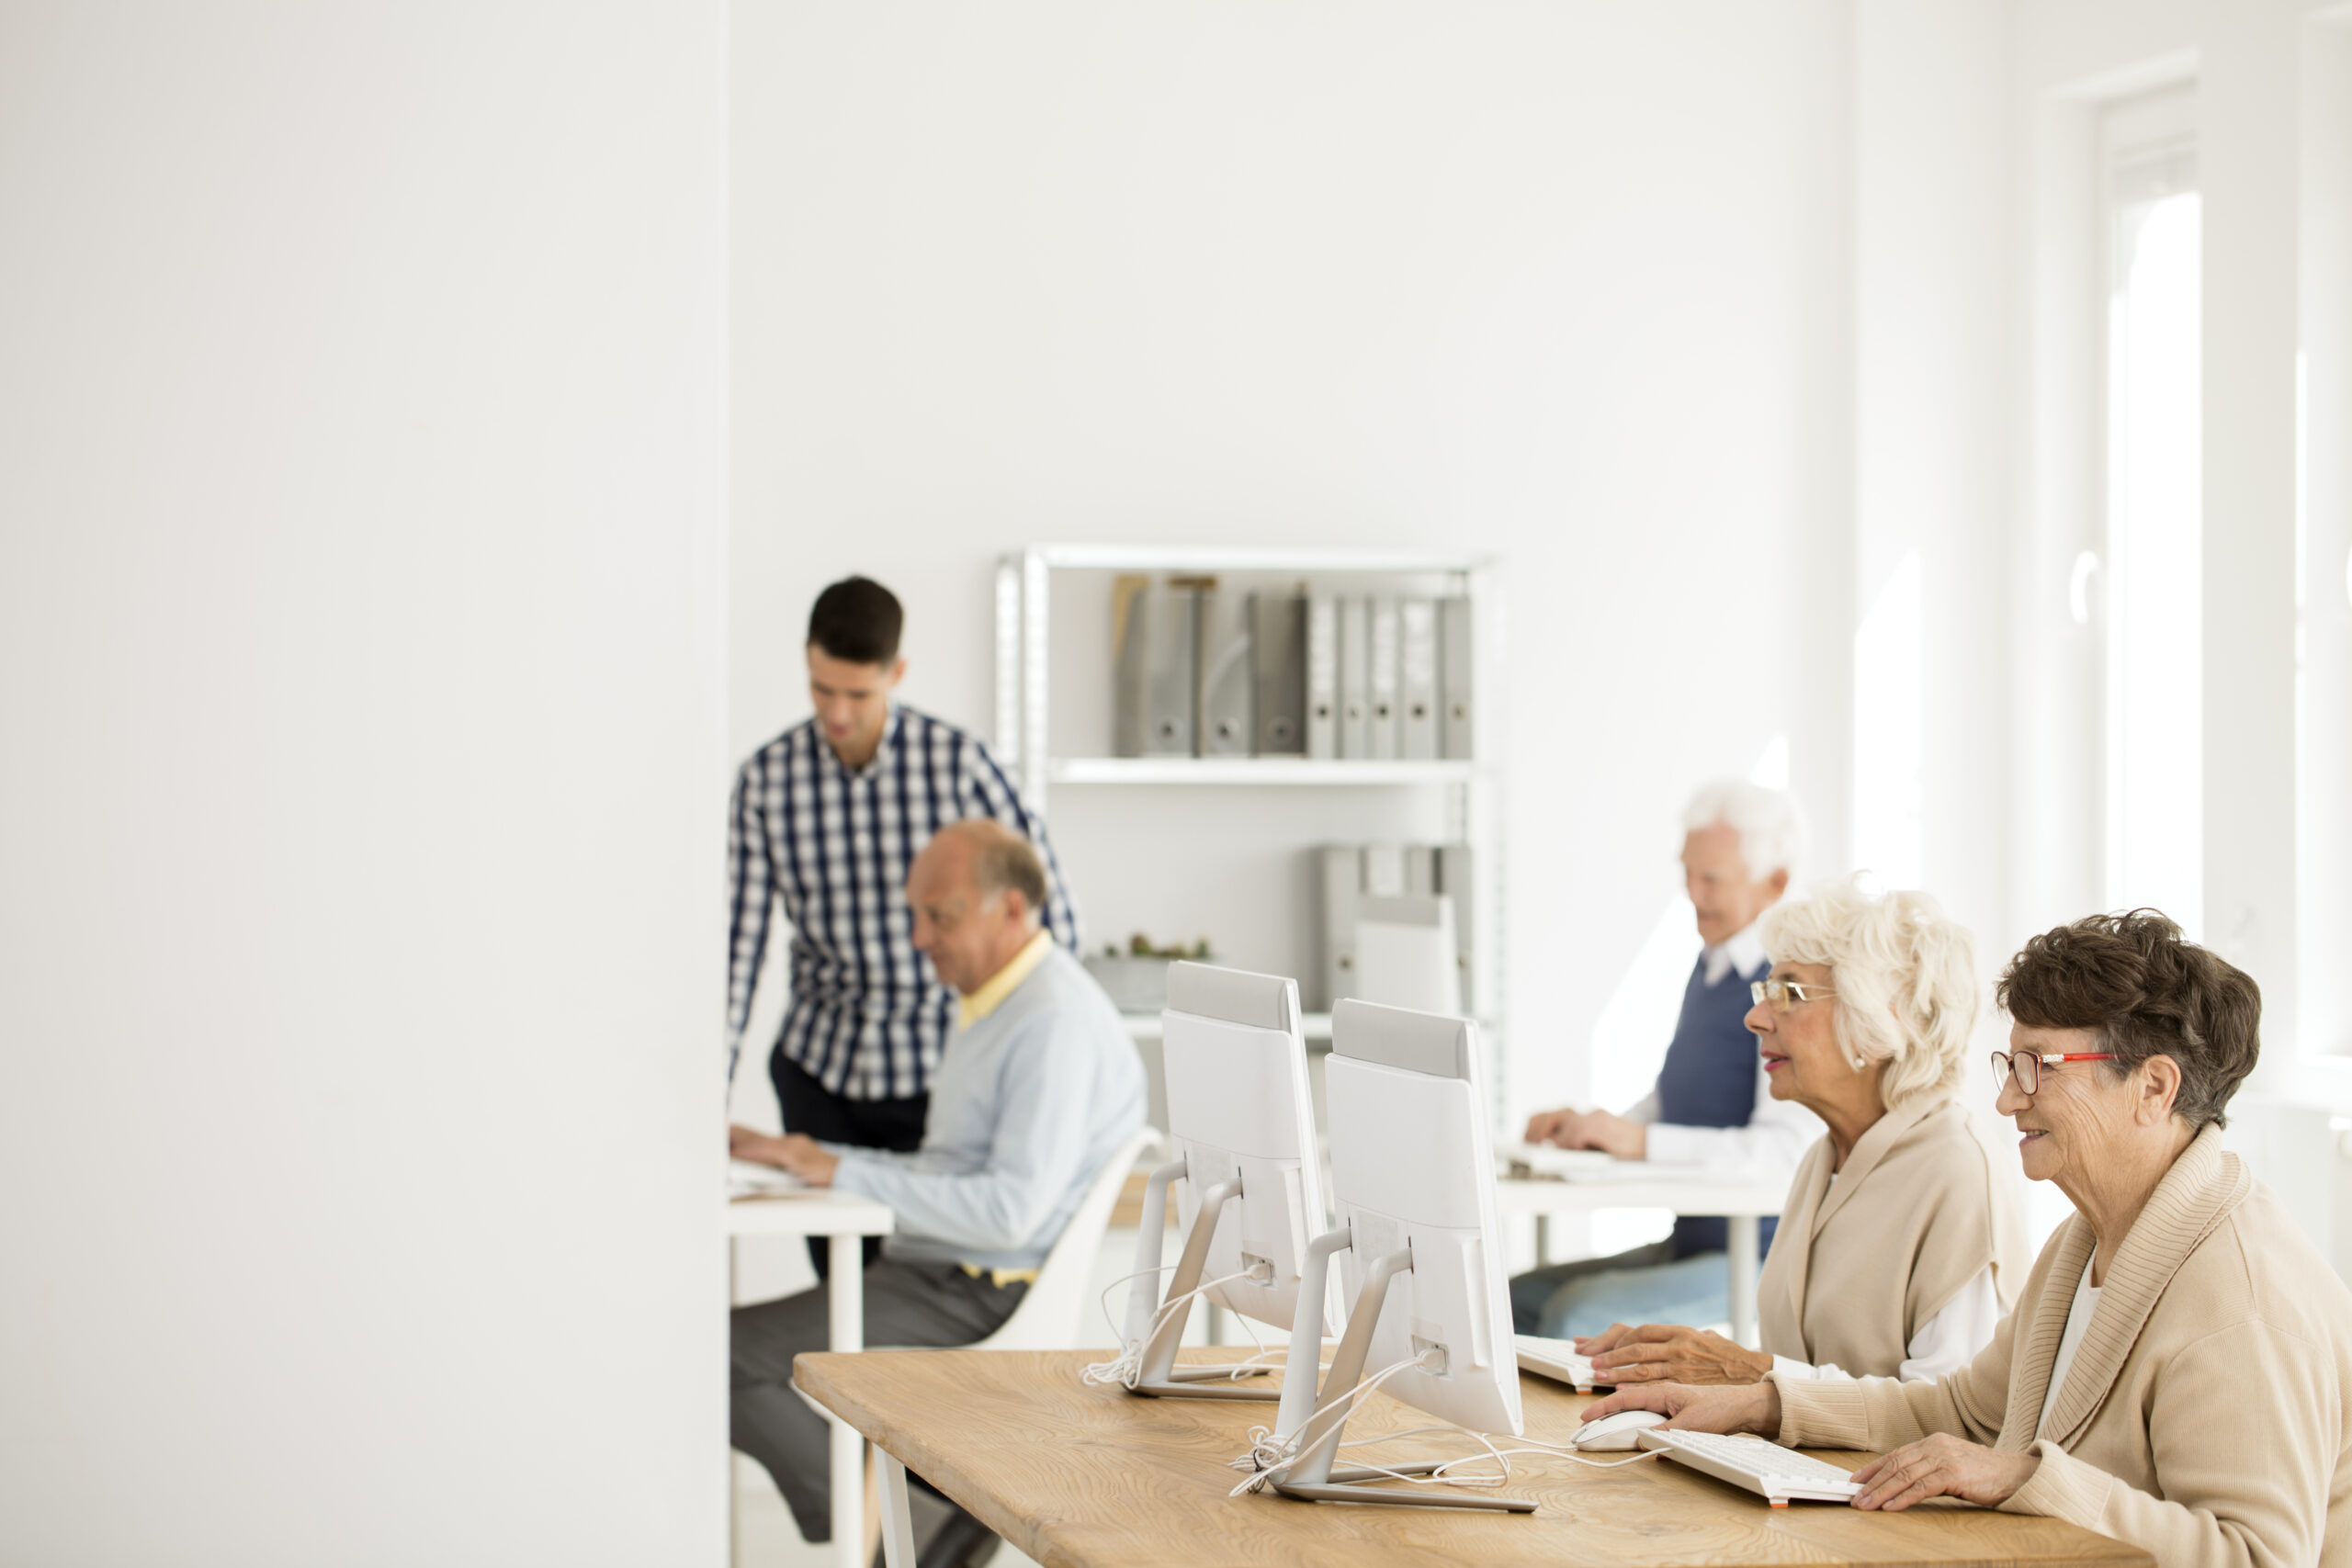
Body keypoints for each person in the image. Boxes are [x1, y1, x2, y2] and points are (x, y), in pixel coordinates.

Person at [1580, 910, 2352, 1567]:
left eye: (2037, 1067)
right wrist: (1763, 1405)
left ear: (2154, 1087)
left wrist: (2023, 1478)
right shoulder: (2085, 1240)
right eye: (2008, 1063)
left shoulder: (2241, 1295)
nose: (2008, 1095)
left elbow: (2258, 1553)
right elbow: (1963, 1411)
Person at [729, 820, 1145, 1563]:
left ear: (1012, 909)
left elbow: (1006, 1209)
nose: (919, 937)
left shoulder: (1052, 1023)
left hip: (975, 1286)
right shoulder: (996, 999)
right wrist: (817, 1155)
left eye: (940, 915)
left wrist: (845, 1174)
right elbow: (956, 1170)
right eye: (915, 914)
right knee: (728, 1350)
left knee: (722, 1355)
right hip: (938, 1271)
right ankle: (918, 1518)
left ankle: (916, 1524)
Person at [727, 575, 1080, 1271]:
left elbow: (1050, 912)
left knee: (922, 1284)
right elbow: (738, 951)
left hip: (934, 1072)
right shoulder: (767, 780)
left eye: (858, 694)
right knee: (843, 1298)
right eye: (822, 688)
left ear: (897, 673)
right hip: (819, 1070)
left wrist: (1049, 1048)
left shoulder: (957, 765)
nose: (837, 712)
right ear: (807, 661)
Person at [1577, 878, 2028, 1387]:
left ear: (1880, 1020)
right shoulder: (1825, 1159)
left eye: (1788, 992)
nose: (1754, 1018)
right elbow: (1805, 1372)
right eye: (1763, 992)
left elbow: (1948, 1414)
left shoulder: (1957, 1170)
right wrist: (1688, 1370)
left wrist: (1744, 1375)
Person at [1510, 779, 1823, 1338]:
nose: (1692, 893)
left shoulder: (1782, 989)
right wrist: (1598, 1129)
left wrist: (1639, 1143)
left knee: (1573, 1316)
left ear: (1774, 883)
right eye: (1687, 873)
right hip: (1693, 1242)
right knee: (1517, 1298)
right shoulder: (1711, 969)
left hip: (1759, 1255)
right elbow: (1676, 1096)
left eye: (1712, 879)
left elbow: (1782, 1152)